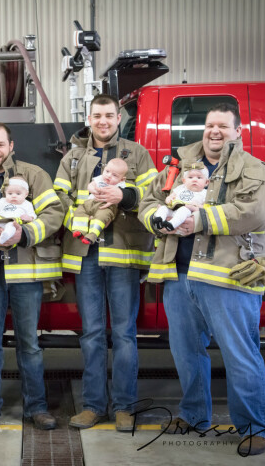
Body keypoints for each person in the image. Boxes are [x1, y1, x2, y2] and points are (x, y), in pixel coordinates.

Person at [139, 103, 265, 456]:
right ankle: (194, 416)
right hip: (179, 275)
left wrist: (201, 220)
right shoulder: (177, 166)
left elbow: (257, 211)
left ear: (238, 132)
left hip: (228, 278)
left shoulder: (253, 169)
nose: (214, 131)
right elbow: (147, 201)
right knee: (187, 354)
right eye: (209, 125)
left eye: (223, 126)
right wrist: (157, 218)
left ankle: (256, 428)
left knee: (240, 355)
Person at [53, 94, 158, 431]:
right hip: (86, 254)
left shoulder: (137, 153)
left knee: (125, 333)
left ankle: (125, 407)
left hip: (124, 254)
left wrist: (123, 196)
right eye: (97, 115)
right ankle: (93, 406)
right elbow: (58, 198)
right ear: (89, 117)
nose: (103, 121)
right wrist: (81, 217)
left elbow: (154, 194)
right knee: (92, 333)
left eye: (109, 115)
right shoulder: (72, 157)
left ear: (118, 117)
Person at [0, 123, 63, 432]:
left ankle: (37, 407)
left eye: (0, 144)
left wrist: (24, 233)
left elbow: (54, 213)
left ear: (11, 146)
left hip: (25, 273)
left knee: (29, 343)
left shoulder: (34, 176)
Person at [71, 157, 128, 244]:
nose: (109, 176)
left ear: (122, 179)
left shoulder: (121, 185)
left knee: (102, 217)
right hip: (89, 202)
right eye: (107, 171)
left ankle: (92, 235)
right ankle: (79, 231)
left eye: (114, 175)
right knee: (79, 211)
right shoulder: (100, 178)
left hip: (105, 206)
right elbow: (90, 185)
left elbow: (122, 197)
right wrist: (93, 190)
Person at [0, 175, 36, 251]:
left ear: (26, 194)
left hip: (13, 221)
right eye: (10, 193)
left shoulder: (26, 204)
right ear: (5, 193)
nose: (14, 196)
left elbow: (32, 215)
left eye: (18, 194)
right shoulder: (3, 201)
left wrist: (29, 218)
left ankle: (5, 237)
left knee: (11, 226)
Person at [151, 162, 209, 231]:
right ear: (184, 180)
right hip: (173, 209)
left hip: (188, 214)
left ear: (206, 182)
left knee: (183, 210)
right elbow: (170, 196)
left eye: (199, 177)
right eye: (190, 177)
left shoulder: (205, 193)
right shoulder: (180, 188)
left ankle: (171, 224)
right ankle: (159, 221)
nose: (194, 180)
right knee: (163, 208)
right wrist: (169, 199)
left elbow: (206, 207)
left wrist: (197, 206)